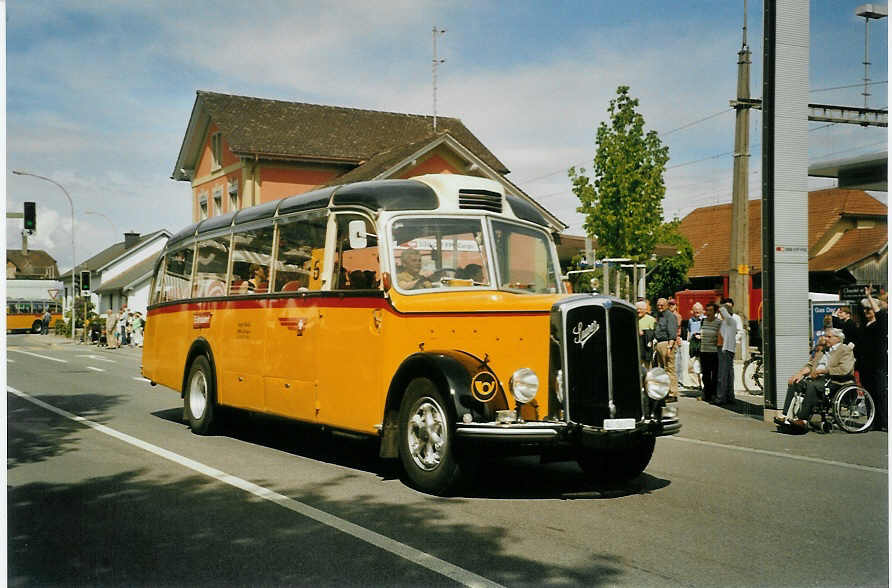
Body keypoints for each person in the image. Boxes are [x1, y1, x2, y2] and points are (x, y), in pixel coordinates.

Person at [774, 327, 855, 432]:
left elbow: (845, 369)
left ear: (838, 338)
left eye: (828, 337)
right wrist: (799, 374)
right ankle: (786, 415)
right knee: (796, 383)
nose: (825, 339)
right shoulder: (824, 350)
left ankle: (802, 419)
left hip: (836, 381)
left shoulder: (845, 350)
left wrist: (823, 371)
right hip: (819, 379)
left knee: (812, 386)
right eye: (825, 336)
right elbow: (811, 365)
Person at [860, 286, 887, 430]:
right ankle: (872, 421)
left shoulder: (882, 322)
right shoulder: (866, 324)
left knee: (880, 392)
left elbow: (879, 313)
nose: (866, 312)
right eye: (865, 309)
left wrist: (869, 297)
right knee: (868, 392)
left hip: (878, 363)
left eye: (869, 309)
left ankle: (884, 421)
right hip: (866, 363)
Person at [653, 297, 679, 401]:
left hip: (667, 344)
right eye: (658, 305)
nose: (659, 307)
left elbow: (672, 333)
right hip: (659, 343)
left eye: (662, 305)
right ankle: (665, 392)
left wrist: (669, 347)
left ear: (667, 305)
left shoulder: (670, 316)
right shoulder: (659, 316)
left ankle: (673, 393)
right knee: (662, 370)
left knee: (669, 369)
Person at [715, 298, 738, 405]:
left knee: (723, 374)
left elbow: (723, 310)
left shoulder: (730, 321)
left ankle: (721, 397)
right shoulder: (728, 322)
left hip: (725, 349)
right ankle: (729, 396)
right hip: (726, 349)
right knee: (728, 374)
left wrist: (720, 305)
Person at [699, 302, 721, 402]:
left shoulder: (719, 323)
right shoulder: (703, 321)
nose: (708, 312)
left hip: (714, 352)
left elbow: (720, 336)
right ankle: (706, 394)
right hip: (703, 351)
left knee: (714, 375)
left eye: (710, 310)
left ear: (715, 312)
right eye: (707, 310)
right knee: (705, 375)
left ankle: (713, 394)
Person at [636, 301, 656, 369]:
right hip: (637, 346)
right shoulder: (634, 318)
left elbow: (654, 333)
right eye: (637, 309)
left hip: (646, 347)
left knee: (647, 367)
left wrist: (644, 332)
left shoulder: (651, 319)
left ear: (645, 310)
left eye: (640, 309)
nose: (638, 311)